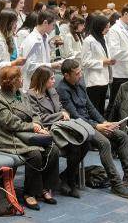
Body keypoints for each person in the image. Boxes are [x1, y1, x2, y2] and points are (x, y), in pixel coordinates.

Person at [57, 59, 128, 198]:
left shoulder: (80, 83)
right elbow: (75, 116)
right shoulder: (62, 89)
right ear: (66, 75)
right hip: (79, 127)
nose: (80, 75)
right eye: (76, 73)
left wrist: (105, 122)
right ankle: (116, 184)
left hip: (91, 123)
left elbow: (90, 107)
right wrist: (98, 126)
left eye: (80, 72)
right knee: (104, 143)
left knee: (121, 135)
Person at [0, 66, 59, 211]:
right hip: (8, 137)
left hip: (26, 133)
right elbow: (10, 123)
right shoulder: (0, 100)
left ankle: (44, 188)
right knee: (34, 154)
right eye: (20, 78)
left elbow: (35, 113)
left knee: (53, 150)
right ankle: (29, 193)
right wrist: (32, 127)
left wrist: (38, 124)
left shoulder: (21, 94)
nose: (22, 79)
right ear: (13, 82)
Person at [27, 66, 90, 198]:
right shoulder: (31, 95)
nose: (54, 81)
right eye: (51, 78)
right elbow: (38, 118)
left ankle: (66, 177)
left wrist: (65, 113)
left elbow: (61, 108)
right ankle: (71, 182)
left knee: (85, 143)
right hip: (47, 129)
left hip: (61, 127)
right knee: (74, 147)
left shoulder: (52, 91)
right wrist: (60, 115)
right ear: (43, 79)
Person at [0, 10, 26, 95]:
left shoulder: (12, 38)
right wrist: (14, 63)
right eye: (14, 23)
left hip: (9, 83)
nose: (16, 25)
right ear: (7, 23)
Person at [19, 9, 62, 91]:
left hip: (41, 81)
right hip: (31, 84)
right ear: (45, 23)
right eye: (53, 25)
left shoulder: (44, 37)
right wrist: (51, 65)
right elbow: (30, 66)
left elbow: (44, 58)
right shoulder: (32, 40)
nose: (53, 28)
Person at [81, 15, 115, 116]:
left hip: (104, 79)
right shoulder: (89, 40)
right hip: (94, 81)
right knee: (94, 110)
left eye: (109, 26)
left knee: (100, 109)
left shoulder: (103, 38)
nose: (108, 29)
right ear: (99, 26)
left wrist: (110, 61)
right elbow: (84, 62)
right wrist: (103, 62)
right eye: (106, 27)